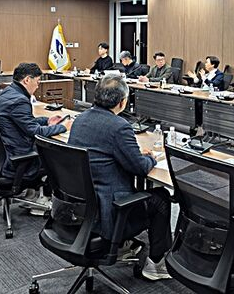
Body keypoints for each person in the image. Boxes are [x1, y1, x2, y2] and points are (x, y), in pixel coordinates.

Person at [68, 75, 172, 280]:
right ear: (122, 102)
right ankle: (156, 264)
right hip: (108, 210)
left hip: (80, 207)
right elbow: (140, 168)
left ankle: (122, 244)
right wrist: (150, 157)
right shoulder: (119, 126)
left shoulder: (81, 119)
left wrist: (132, 153)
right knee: (161, 198)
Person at [0, 63, 71, 210]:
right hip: (17, 160)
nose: (38, 85)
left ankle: (31, 193)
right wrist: (63, 127)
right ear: (27, 80)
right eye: (38, 81)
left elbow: (23, 122)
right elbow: (36, 132)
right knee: (59, 156)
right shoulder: (20, 100)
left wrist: (47, 121)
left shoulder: (7, 92)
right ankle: (43, 200)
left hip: (0, 157)